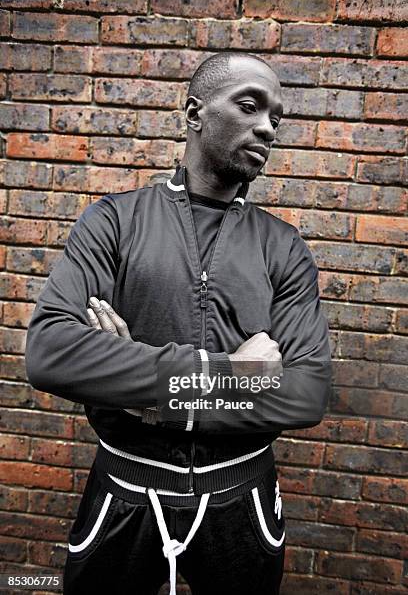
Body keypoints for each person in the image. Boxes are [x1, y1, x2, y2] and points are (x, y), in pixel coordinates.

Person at [25, 52, 332, 595]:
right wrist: (230, 373)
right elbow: (51, 351)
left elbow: (305, 393)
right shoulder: (113, 221)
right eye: (249, 105)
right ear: (194, 113)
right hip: (125, 490)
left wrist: (146, 391)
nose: (267, 126)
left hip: (242, 499)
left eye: (276, 118)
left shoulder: (283, 247)